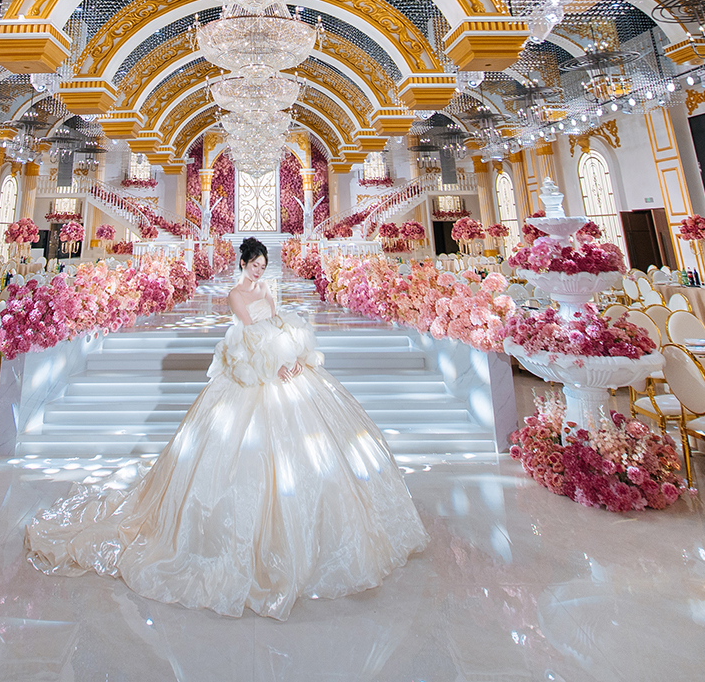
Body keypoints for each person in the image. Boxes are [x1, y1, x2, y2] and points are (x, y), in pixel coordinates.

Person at [25, 235, 425, 619]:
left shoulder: (266, 288)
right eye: (254, 266)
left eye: (263, 266)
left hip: (282, 364)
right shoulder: (235, 295)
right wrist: (275, 364)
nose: (258, 272)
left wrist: (294, 355)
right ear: (243, 264)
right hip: (254, 367)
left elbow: (278, 324)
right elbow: (250, 336)